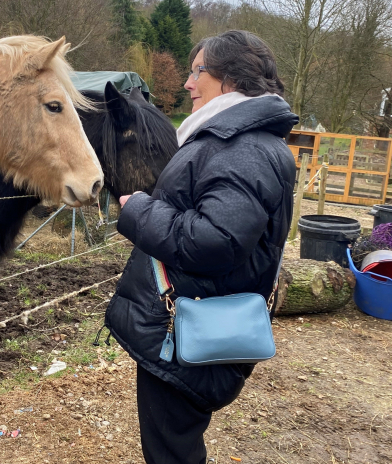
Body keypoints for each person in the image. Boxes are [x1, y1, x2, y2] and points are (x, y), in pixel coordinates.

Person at [105, 30, 298, 464]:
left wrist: (138, 210)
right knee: (174, 445)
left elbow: (214, 242)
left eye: (197, 72)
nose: (189, 84)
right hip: (194, 320)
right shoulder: (238, 141)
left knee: (171, 451)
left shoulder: (240, 148)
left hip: (189, 331)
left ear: (229, 80)